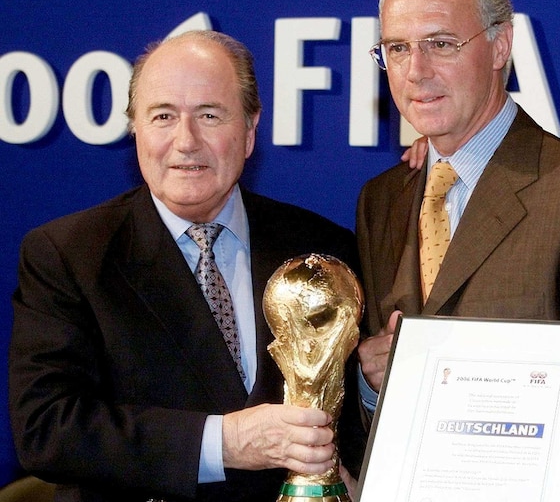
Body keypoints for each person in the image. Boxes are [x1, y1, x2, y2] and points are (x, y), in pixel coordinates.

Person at [9, 30, 364, 501]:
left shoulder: (322, 249)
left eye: (210, 115)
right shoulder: (68, 254)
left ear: (250, 130)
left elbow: (355, 424)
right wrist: (225, 443)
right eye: (162, 116)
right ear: (135, 128)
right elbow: (47, 429)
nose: (186, 141)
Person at [356, 0, 560, 500]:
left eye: (441, 43)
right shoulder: (381, 199)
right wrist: (371, 385)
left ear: (501, 45)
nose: (416, 70)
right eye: (397, 48)